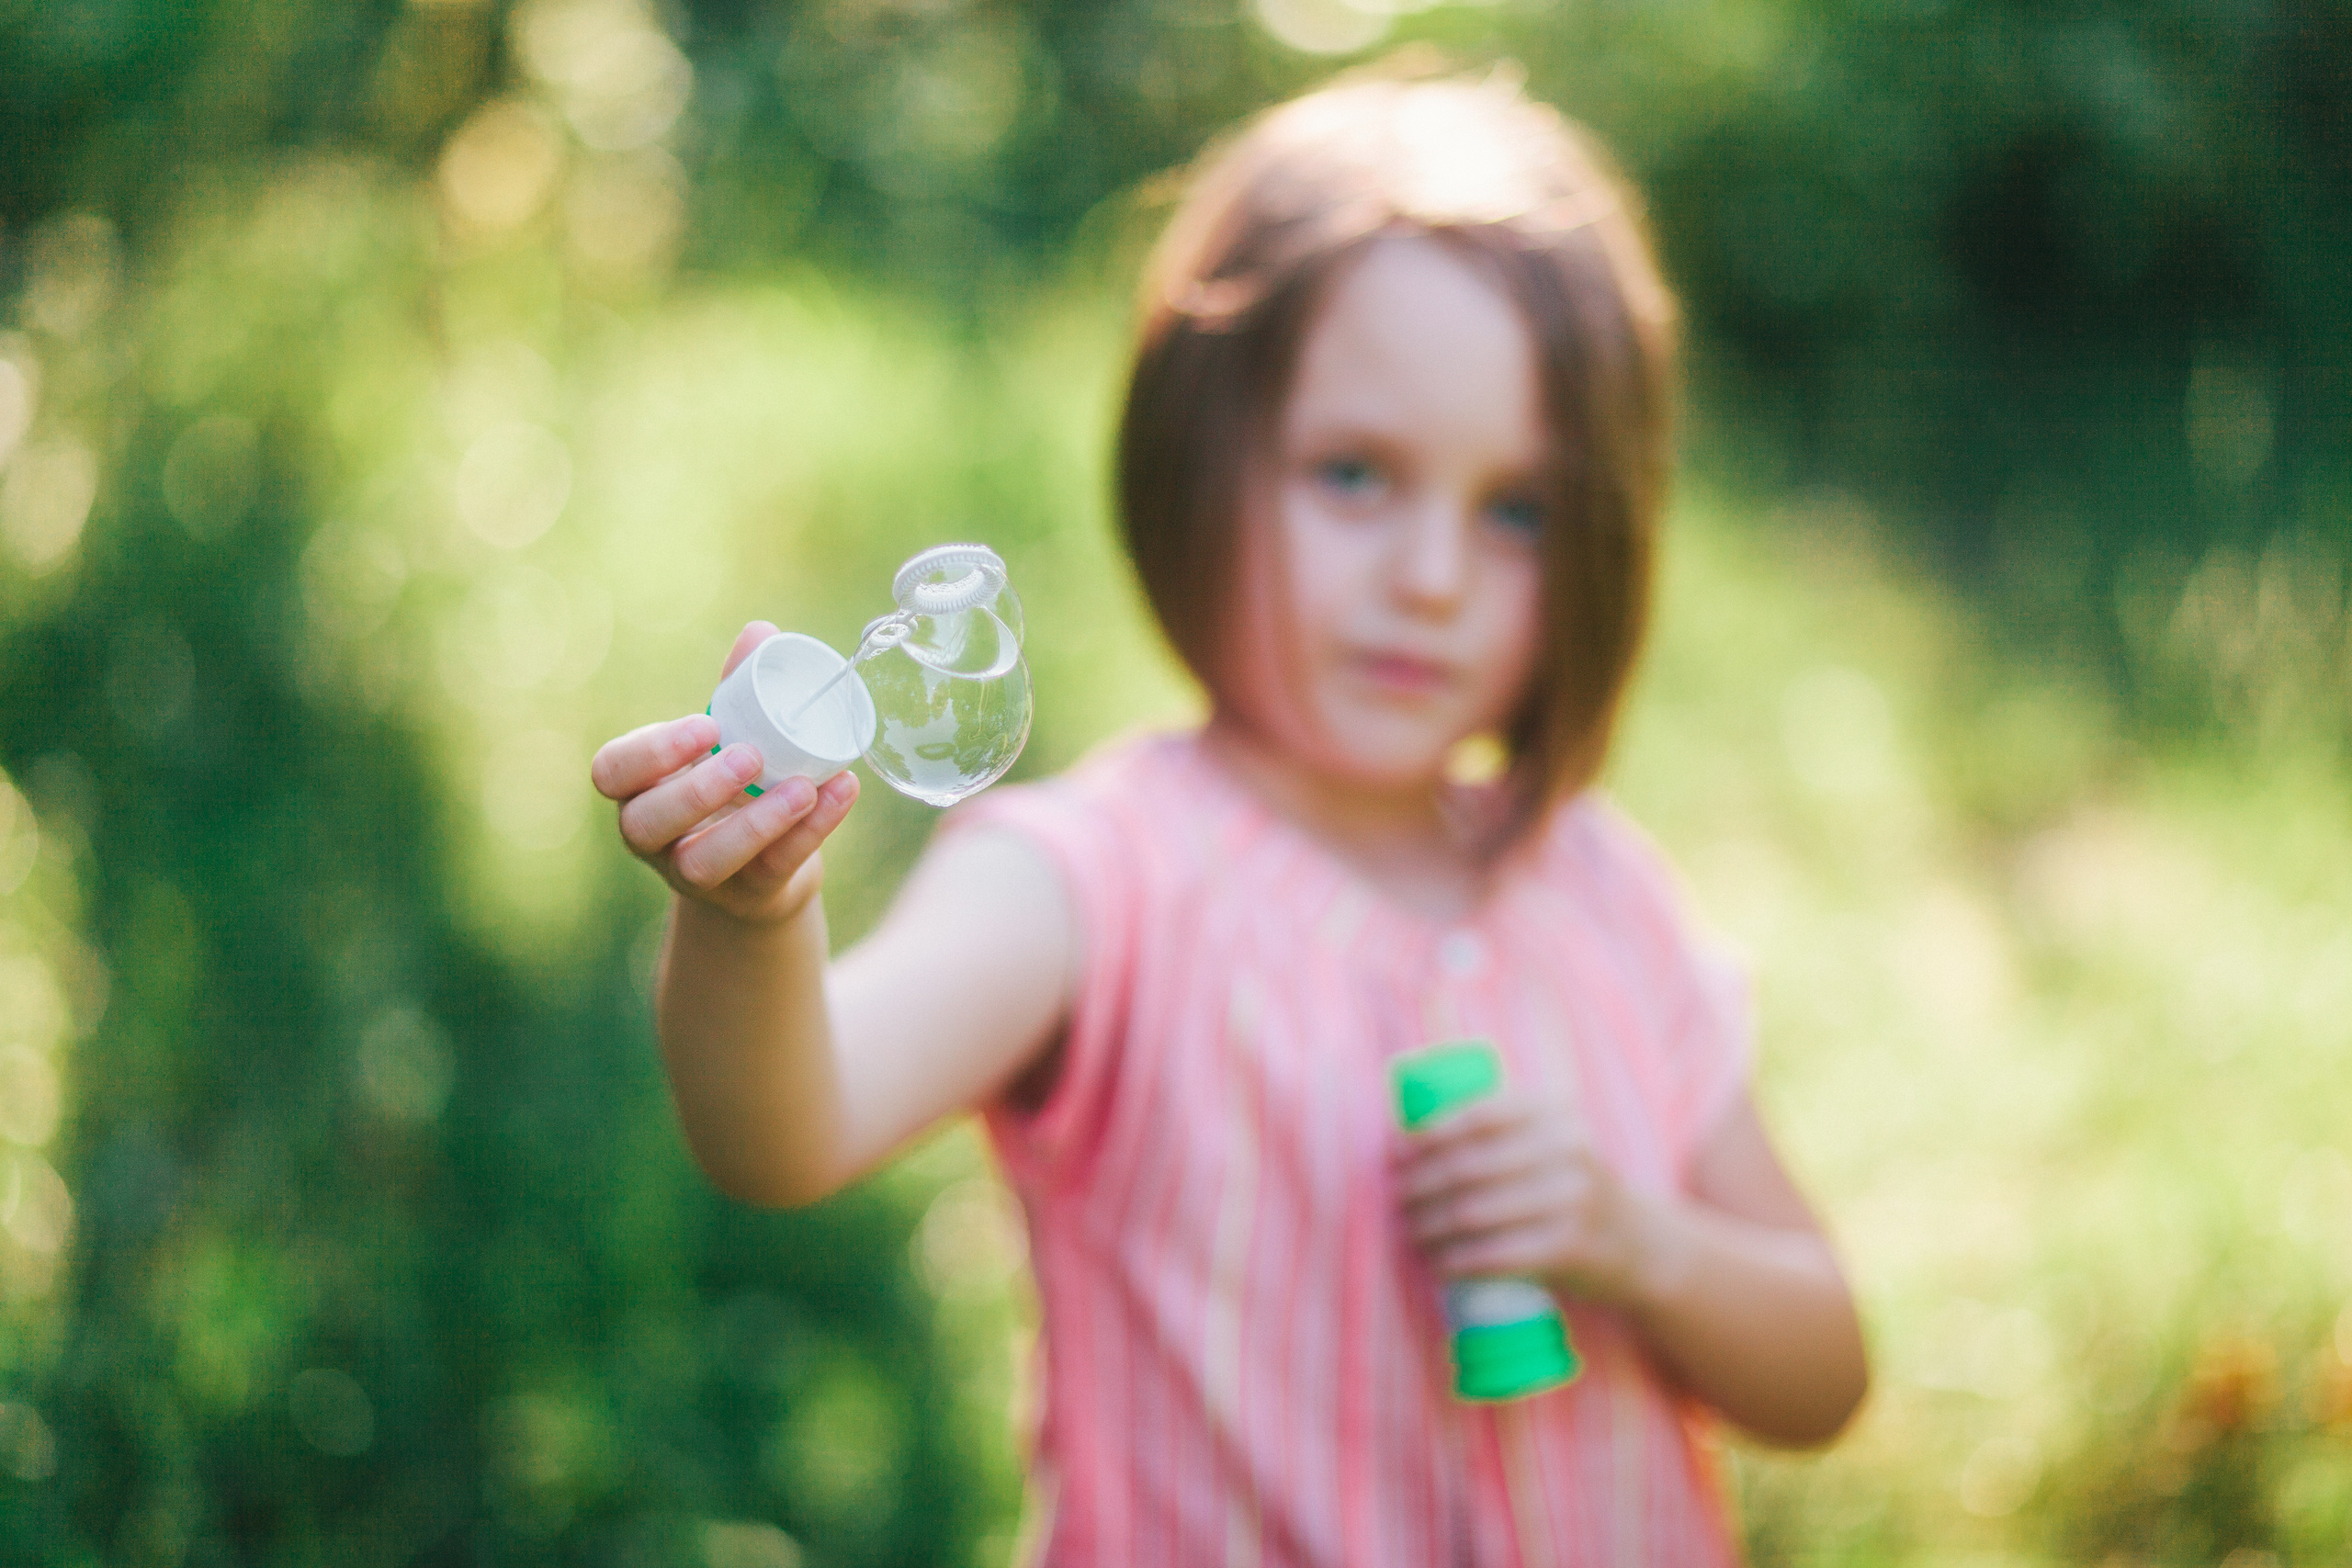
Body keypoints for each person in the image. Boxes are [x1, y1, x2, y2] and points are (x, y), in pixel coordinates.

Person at [591, 64, 1867, 1567]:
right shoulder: (1099, 885)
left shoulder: (1599, 894)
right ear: (1200, 467)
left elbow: (1823, 1373)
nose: (1434, 577)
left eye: (1514, 509)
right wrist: (752, 922)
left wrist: (1634, 1240)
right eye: (1355, 476)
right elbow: (786, 1131)